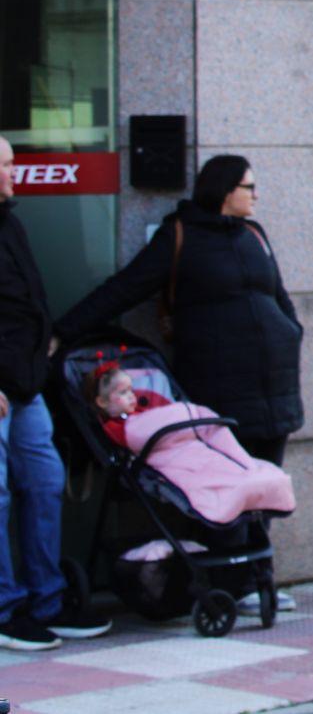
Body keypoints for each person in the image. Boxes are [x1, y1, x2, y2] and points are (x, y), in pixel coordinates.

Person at [57, 155, 304, 616]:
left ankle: (254, 577)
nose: (256, 195)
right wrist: (63, 333)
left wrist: (290, 332)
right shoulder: (180, 237)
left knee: (260, 483)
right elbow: (123, 289)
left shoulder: (255, 235)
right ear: (224, 190)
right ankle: (230, 585)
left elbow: (280, 297)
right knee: (221, 484)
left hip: (276, 383)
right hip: (219, 385)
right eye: (248, 186)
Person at [0, 137, 111, 649]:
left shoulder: (10, 221)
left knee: (44, 484)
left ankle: (47, 599)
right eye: (4, 166)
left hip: (27, 385)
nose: (13, 174)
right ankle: (6, 607)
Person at [86, 362, 296, 524]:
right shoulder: (120, 428)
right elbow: (141, 433)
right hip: (164, 453)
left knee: (227, 457)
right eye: (123, 393)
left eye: (131, 390)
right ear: (102, 402)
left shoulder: (142, 413)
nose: (132, 397)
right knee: (203, 477)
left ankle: (248, 472)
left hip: (190, 444)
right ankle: (240, 485)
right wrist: (184, 413)